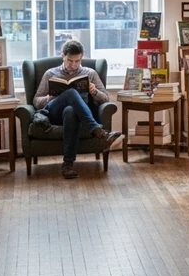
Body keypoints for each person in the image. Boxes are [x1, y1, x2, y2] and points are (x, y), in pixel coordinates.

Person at [33, 40, 122, 179]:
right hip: (54, 113)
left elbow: (105, 99)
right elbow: (36, 101)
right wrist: (50, 97)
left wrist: (94, 92)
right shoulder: (50, 73)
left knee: (71, 111)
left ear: (82, 58)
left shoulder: (90, 73)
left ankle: (67, 165)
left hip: (79, 115)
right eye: (70, 61)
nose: (73, 65)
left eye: (77, 61)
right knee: (70, 93)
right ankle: (100, 133)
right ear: (63, 55)